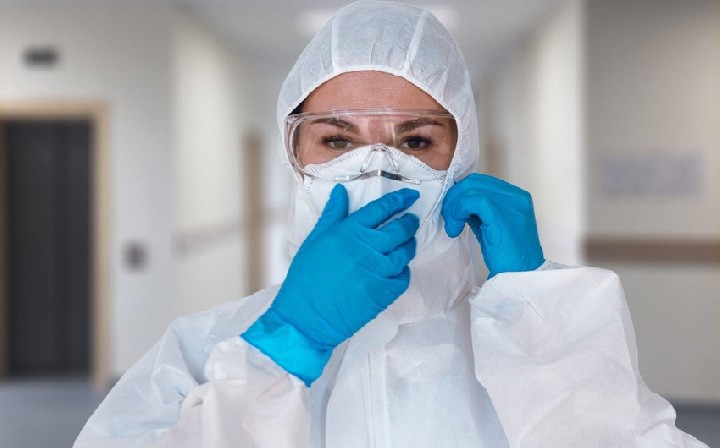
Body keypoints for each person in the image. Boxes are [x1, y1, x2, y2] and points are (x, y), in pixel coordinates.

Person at [74, 1, 707, 447]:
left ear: (461, 159)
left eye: (416, 139)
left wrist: (546, 325)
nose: (376, 167)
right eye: (336, 139)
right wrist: (282, 349)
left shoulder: (531, 349)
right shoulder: (203, 350)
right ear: (294, 157)